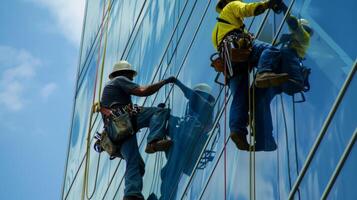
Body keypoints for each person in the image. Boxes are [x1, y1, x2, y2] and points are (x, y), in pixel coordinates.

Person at [212, 0, 289, 151]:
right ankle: (264, 73)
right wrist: (268, 4)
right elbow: (248, 9)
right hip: (238, 48)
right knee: (271, 50)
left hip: (230, 61)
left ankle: (237, 130)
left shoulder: (216, 30)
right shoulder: (231, 6)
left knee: (240, 97)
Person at [100, 60, 176, 200]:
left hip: (115, 134)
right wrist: (164, 82)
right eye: (130, 75)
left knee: (135, 163)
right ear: (125, 73)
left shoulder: (110, 88)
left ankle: (131, 195)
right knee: (159, 112)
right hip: (122, 123)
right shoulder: (119, 80)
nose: (131, 79)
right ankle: (154, 142)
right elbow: (143, 91)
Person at [253, 6, 314, 151]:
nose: (294, 32)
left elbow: (293, 24)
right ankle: (265, 140)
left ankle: (265, 74)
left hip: (289, 76)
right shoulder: (287, 43)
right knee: (259, 101)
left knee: (273, 51)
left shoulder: (304, 38)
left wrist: (284, 8)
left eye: (298, 29)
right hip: (279, 77)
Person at [148, 81, 216, 200]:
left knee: (171, 175)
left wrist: (176, 81)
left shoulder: (206, 109)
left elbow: (193, 97)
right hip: (183, 141)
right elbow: (171, 122)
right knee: (168, 173)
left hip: (188, 144)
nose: (192, 103)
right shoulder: (187, 122)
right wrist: (159, 113)